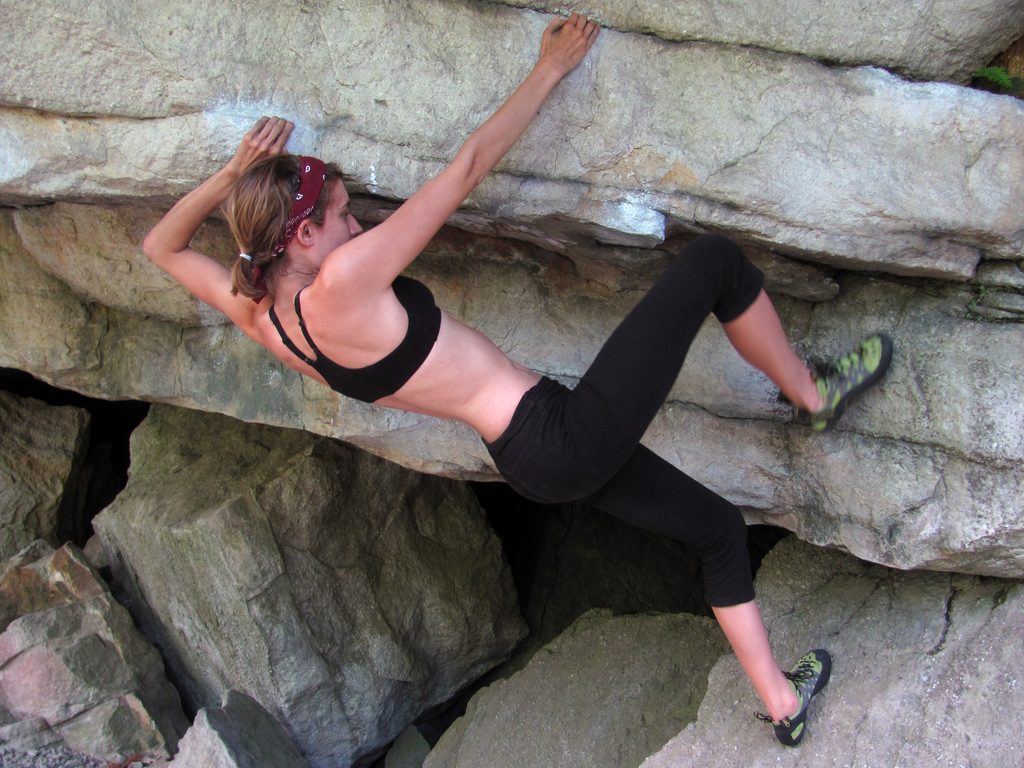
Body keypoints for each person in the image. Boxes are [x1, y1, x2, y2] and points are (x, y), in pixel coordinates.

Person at [144, 13, 891, 747]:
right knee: (714, 264)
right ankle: (814, 396)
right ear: (305, 237)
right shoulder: (340, 283)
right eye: (342, 215)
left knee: (718, 530)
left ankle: (784, 705)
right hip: (557, 437)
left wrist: (233, 177)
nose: (358, 223)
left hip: (527, 460)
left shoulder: (267, 321)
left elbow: (162, 245)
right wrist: (549, 70)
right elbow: (465, 169)